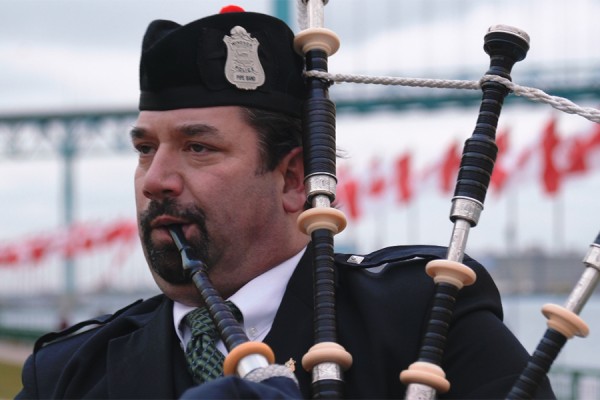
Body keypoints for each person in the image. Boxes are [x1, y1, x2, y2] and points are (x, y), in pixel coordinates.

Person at [17, 5, 555, 399]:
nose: (155, 180)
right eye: (144, 149)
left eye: (198, 147)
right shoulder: (67, 374)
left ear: (295, 178)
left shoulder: (428, 319)